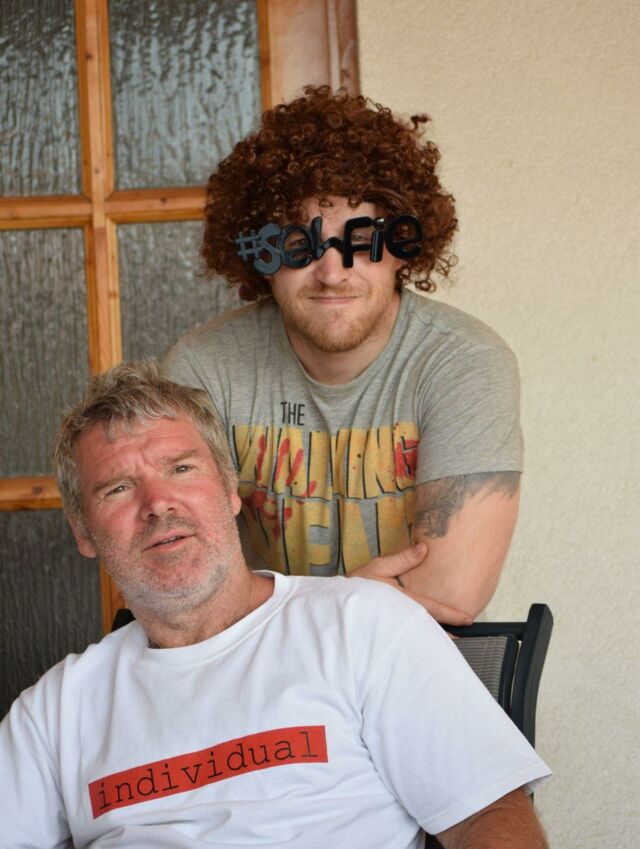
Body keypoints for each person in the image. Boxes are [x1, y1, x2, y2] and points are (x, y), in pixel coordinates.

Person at [0, 362, 549, 848]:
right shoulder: (54, 711)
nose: (158, 503)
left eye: (181, 469)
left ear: (229, 489)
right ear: (83, 531)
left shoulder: (363, 624)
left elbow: (490, 816)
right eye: (118, 488)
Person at [163, 86, 522, 625]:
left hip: (415, 663)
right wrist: (353, 598)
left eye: (362, 241)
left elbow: (452, 594)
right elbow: (181, 586)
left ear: (402, 248)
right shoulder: (203, 370)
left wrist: (275, 605)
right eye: (298, 245)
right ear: (260, 256)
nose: (332, 273)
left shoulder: (464, 362)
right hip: (263, 670)